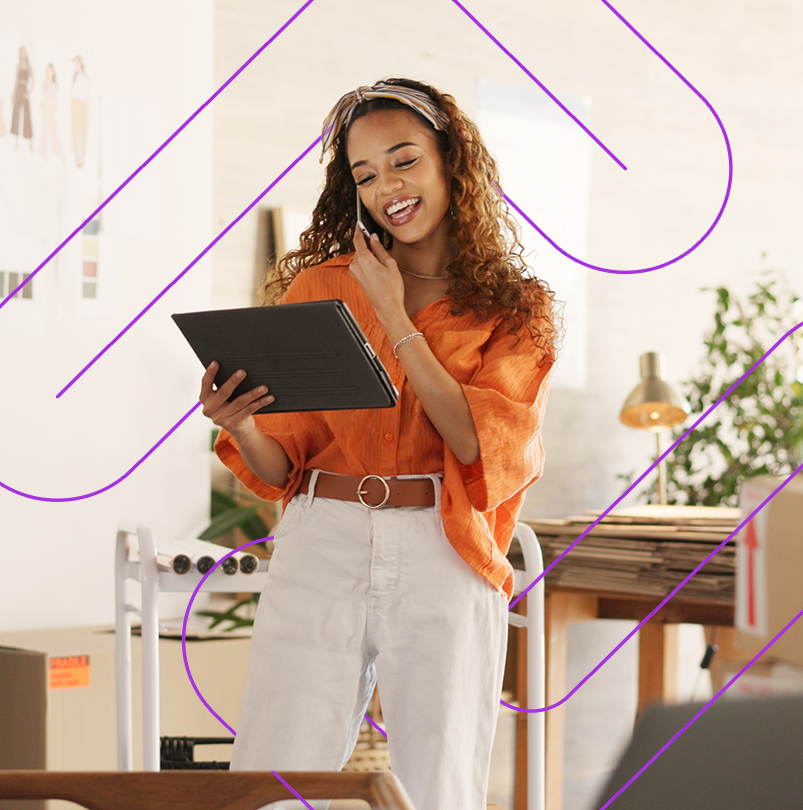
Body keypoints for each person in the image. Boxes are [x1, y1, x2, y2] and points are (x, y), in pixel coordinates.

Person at [201, 78, 555, 809]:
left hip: (444, 544)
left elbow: (477, 442)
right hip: (323, 537)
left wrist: (394, 315)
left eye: (403, 161)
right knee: (274, 774)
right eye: (364, 175)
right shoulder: (321, 289)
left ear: (451, 161)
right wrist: (237, 422)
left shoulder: (517, 309)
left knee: (440, 783)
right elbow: (282, 463)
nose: (386, 187)